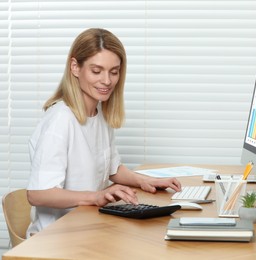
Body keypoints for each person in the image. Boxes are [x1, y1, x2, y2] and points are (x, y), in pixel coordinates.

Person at [26, 28, 181, 237]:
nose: (107, 81)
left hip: (89, 228)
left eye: (114, 72)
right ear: (75, 67)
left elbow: (112, 168)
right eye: (96, 71)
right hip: (55, 238)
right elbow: (38, 194)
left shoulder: (99, 113)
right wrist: (95, 196)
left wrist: (145, 180)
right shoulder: (60, 120)